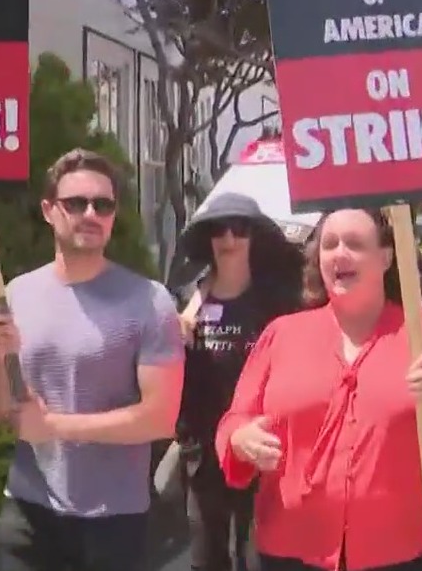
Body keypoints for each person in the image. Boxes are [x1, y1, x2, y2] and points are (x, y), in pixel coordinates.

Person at [215, 207, 422, 571]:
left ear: (386, 257)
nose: (339, 254)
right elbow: (234, 422)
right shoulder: (281, 335)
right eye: (329, 244)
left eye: (354, 244)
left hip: (407, 551)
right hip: (293, 549)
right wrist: (241, 439)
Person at [0, 148, 185, 571]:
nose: (91, 214)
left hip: (114, 520)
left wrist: (55, 426)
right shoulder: (18, 293)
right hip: (29, 514)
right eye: (76, 203)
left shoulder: (149, 301)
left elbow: (160, 418)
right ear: (49, 210)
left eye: (103, 205)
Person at [175, 193, 304, 571]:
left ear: (254, 236)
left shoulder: (280, 301)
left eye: (239, 228)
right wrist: (173, 339)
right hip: (204, 453)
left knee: (257, 556)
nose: (229, 238)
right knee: (207, 558)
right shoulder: (188, 300)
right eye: (219, 229)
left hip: (264, 449)